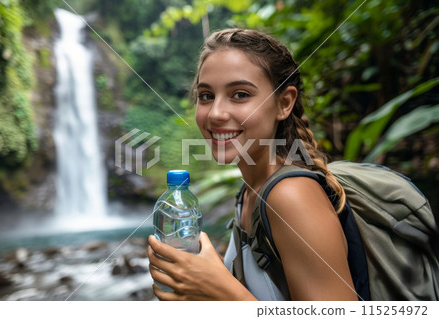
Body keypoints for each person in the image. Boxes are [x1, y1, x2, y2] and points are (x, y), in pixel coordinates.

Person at [147, 28, 358, 301]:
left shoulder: (291, 197)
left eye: (240, 94)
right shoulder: (250, 192)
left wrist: (223, 295)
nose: (216, 113)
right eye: (206, 96)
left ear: (284, 103)